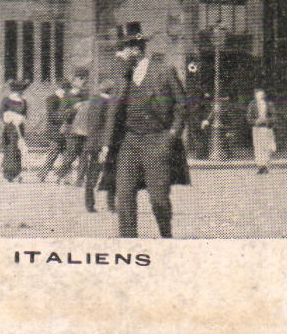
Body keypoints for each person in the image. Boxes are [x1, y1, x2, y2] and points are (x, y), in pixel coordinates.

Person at [99, 25, 188, 238]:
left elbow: (182, 105)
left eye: (122, 50)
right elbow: (113, 111)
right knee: (124, 196)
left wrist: (172, 135)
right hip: (129, 143)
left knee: (158, 199)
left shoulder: (164, 72)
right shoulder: (122, 76)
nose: (118, 55)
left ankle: (166, 236)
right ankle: (128, 243)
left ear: (136, 50)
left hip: (157, 140)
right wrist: (106, 144)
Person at [79, 83, 114, 213]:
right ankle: (111, 204)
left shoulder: (93, 101)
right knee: (110, 173)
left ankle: (89, 204)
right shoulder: (107, 103)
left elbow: (91, 124)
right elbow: (106, 125)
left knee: (92, 174)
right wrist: (106, 144)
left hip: (92, 142)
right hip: (104, 143)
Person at [55, 75, 87, 183]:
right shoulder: (67, 96)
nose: (84, 81)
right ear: (74, 81)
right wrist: (74, 108)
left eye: (85, 79)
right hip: (71, 128)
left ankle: (80, 180)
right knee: (72, 153)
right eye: (81, 79)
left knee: (84, 154)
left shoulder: (85, 95)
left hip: (83, 128)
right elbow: (61, 114)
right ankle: (60, 174)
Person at [38, 80, 70, 181]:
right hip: (54, 131)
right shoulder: (51, 99)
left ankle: (63, 176)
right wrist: (65, 115)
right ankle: (43, 174)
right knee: (53, 153)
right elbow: (52, 116)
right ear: (60, 89)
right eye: (64, 90)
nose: (65, 93)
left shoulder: (66, 99)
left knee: (66, 155)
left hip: (64, 131)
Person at [0, 101, 26, 182]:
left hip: (16, 135)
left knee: (16, 154)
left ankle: (16, 174)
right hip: (9, 135)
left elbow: (23, 121)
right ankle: (9, 175)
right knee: (9, 154)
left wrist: (19, 120)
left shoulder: (19, 115)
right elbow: (4, 121)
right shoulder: (6, 114)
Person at [247, 89, 277, 174]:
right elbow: (249, 118)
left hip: (266, 128)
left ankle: (266, 165)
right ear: (255, 96)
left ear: (264, 96)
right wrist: (255, 122)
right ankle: (260, 166)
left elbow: (274, 116)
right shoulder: (252, 105)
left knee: (267, 147)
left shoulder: (269, 104)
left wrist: (267, 121)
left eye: (261, 95)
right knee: (258, 147)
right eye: (258, 95)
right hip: (257, 128)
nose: (260, 97)